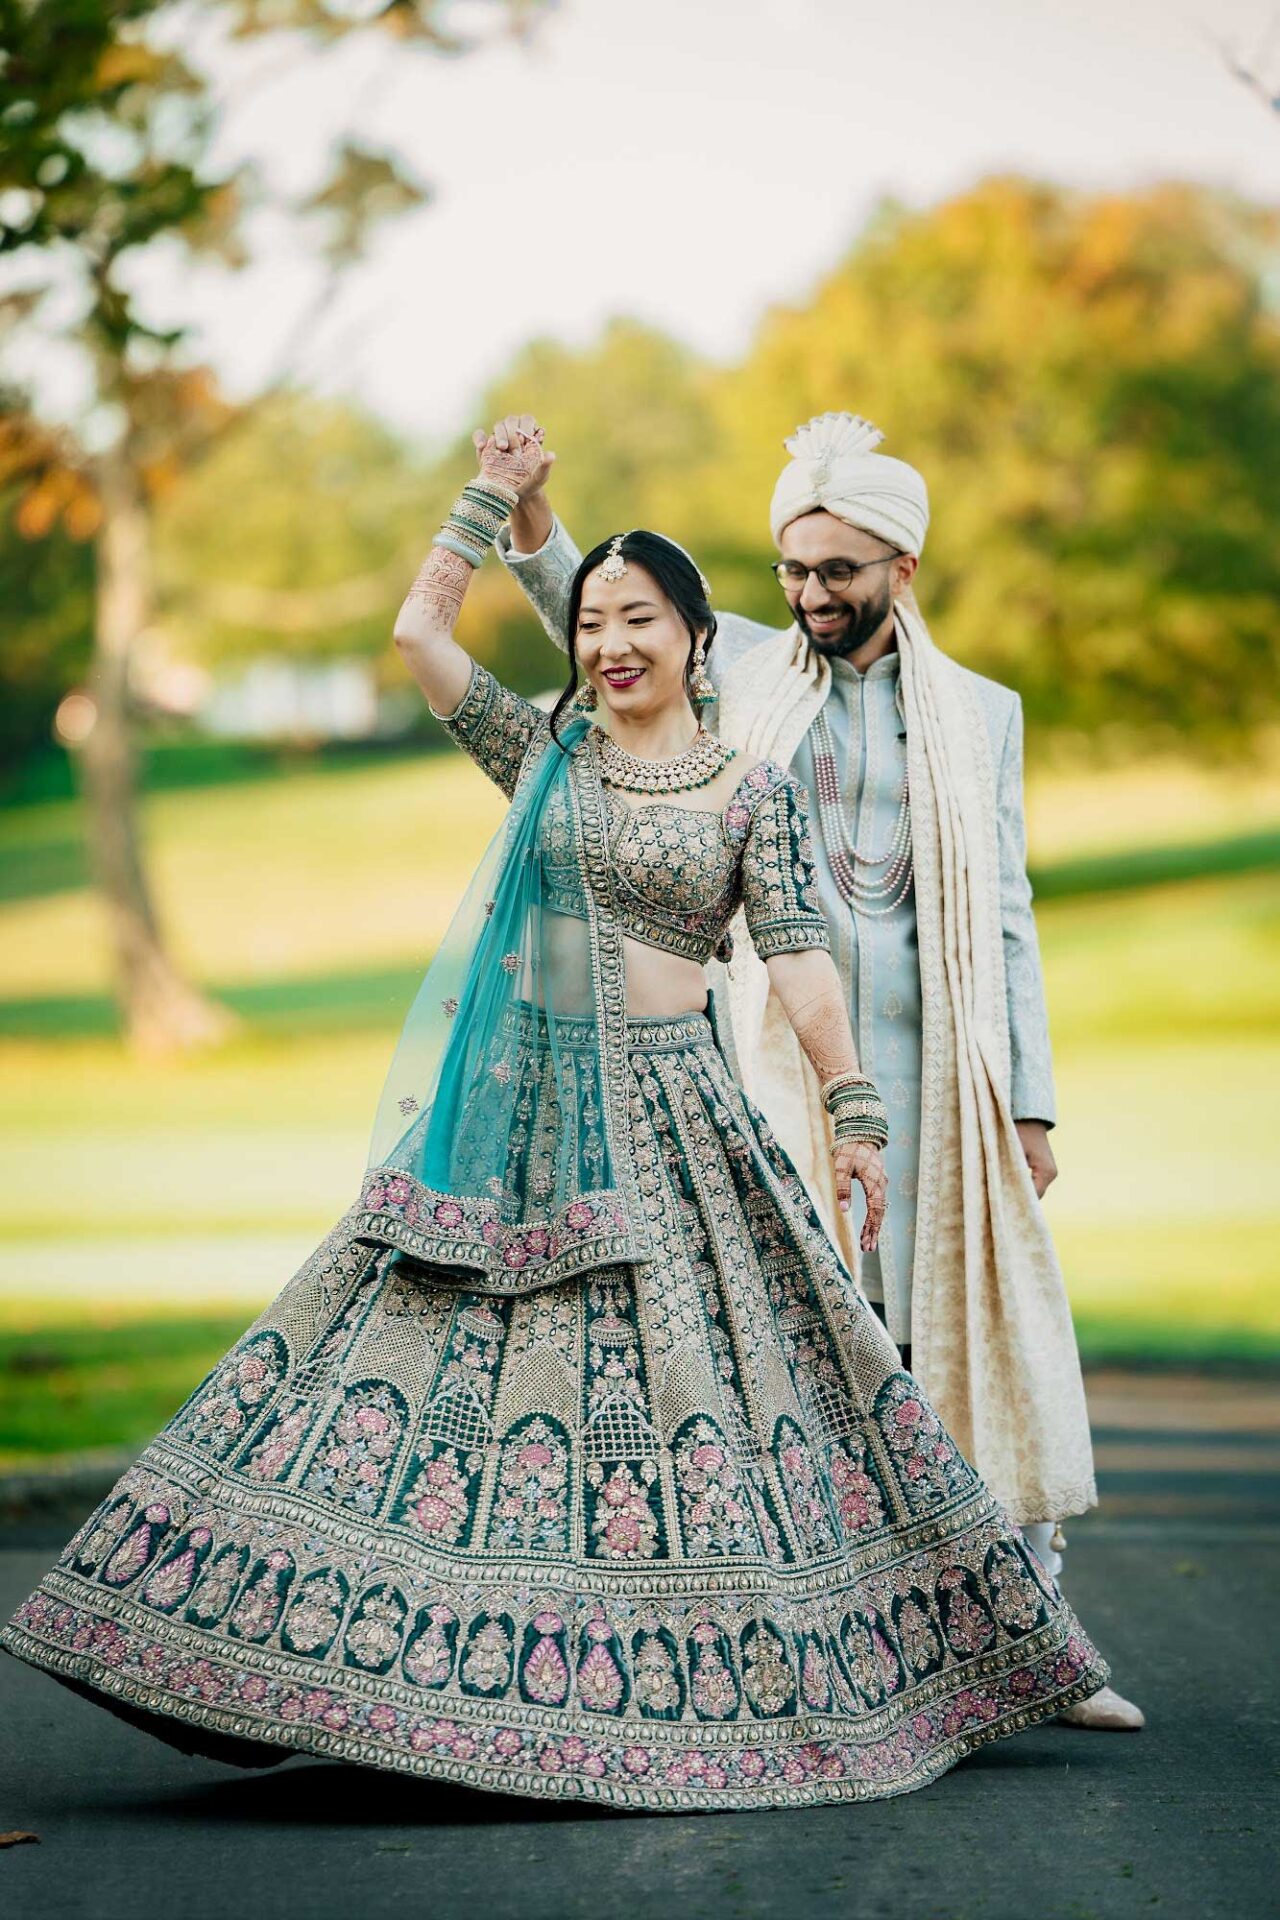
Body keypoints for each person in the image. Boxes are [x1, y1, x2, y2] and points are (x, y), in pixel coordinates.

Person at [0, 436, 1110, 1809]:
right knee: (414, 1378)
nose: (610, 643)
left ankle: (784, 1670)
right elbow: (419, 630)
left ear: (703, 642)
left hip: (687, 1117)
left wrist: (853, 1106)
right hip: (524, 1122)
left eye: (638, 620)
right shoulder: (542, 756)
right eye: (590, 623)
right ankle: (345, 1667)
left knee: (745, 1399)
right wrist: (487, 505)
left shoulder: (747, 791)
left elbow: (805, 954)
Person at [493, 409, 1143, 1732]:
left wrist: (1029, 1102)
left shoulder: (982, 715)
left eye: (837, 572)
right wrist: (528, 517)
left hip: (941, 1070)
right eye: (792, 570)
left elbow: (1007, 909)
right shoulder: (740, 671)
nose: (809, 596)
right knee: (806, 1350)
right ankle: (825, 1645)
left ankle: (1034, 1639)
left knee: (969, 1341)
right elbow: (604, 612)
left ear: (904, 567)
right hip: (770, 1065)